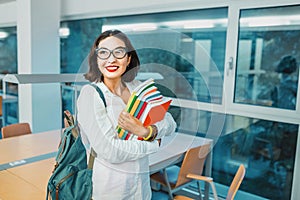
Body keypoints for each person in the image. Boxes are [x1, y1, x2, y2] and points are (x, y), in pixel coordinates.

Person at [76, 29, 176, 200]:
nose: (112, 59)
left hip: (141, 187)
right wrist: (153, 144)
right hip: (110, 190)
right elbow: (110, 151)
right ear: (96, 59)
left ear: (128, 59)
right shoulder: (91, 94)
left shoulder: (137, 88)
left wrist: (146, 132)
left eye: (119, 52)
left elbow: (169, 122)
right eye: (103, 53)